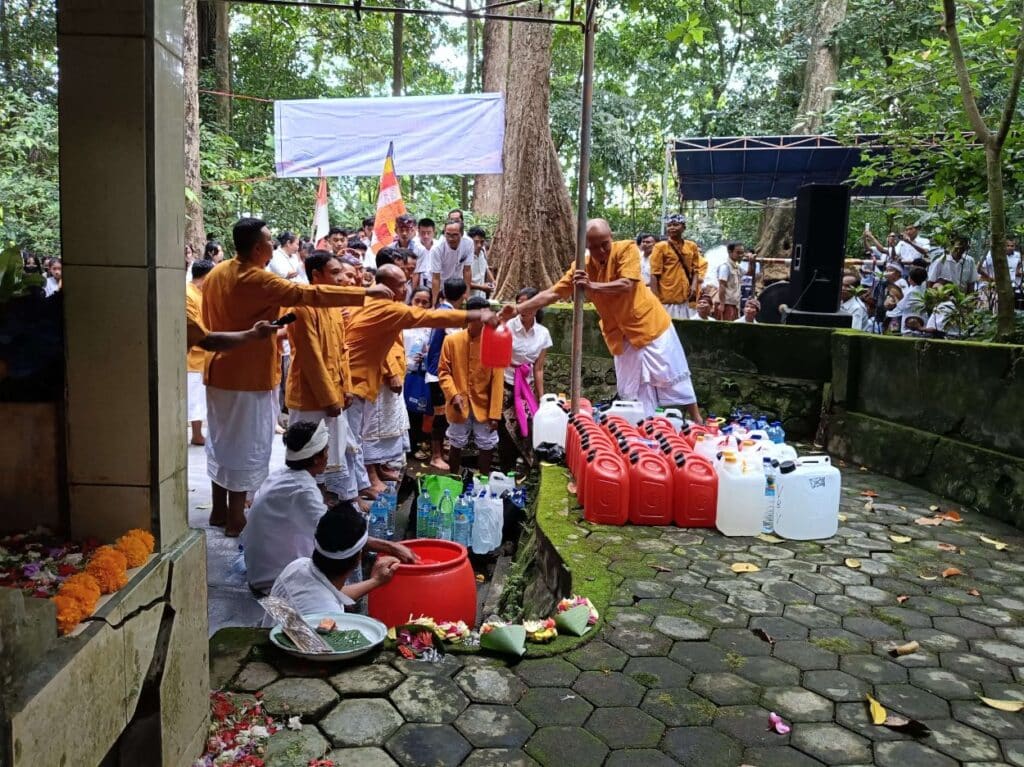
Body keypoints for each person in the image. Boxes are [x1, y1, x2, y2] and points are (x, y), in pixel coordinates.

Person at [201, 217, 392, 537]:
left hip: (219, 368)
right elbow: (307, 296)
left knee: (222, 440)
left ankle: (219, 509)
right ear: (259, 247)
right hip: (246, 376)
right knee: (246, 444)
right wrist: (366, 294)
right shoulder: (257, 278)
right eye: (268, 240)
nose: (271, 244)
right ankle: (236, 517)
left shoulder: (218, 272)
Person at [504, 218, 701, 422]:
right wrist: (519, 308)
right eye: (593, 247)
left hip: (651, 325)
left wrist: (592, 287)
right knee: (632, 390)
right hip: (621, 335)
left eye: (604, 244)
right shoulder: (581, 267)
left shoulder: (626, 250)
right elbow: (553, 293)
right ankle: (644, 427)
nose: (600, 251)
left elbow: (628, 283)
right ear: (586, 247)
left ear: (611, 238)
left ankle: (698, 421)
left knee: (674, 376)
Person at [345, 266, 499, 497]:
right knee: (354, 438)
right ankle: (353, 491)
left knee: (358, 436)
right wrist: (478, 315)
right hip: (354, 384)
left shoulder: (364, 303)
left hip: (361, 382)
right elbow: (431, 317)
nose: (405, 288)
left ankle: (361, 484)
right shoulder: (386, 308)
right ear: (387, 287)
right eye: (401, 284)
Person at [244, 421, 413, 595]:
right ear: (317, 458)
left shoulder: (281, 476)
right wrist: (392, 547)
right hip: (272, 581)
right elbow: (340, 535)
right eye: (326, 451)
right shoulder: (303, 491)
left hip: (259, 571)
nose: (328, 455)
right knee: (341, 553)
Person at [284, 251, 357, 501]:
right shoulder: (302, 307)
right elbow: (311, 357)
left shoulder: (333, 305)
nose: (341, 278)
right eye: (334, 273)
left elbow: (343, 350)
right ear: (316, 275)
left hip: (335, 393)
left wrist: (345, 388)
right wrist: (329, 399)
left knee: (328, 450)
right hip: (310, 395)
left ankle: (324, 495)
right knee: (309, 451)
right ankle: (306, 500)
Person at [265, 503, 401, 623]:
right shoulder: (329, 616)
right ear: (358, 559)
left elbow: (333, 593)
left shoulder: (298, 566)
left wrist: (376, 580)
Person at [439, 296, 505, 475]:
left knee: (487, 443)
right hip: (458, 404)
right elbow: (444, 372)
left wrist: (495, 414)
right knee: (455, 441)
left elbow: (498, 381)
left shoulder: (496, 342)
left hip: (484, 404)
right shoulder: (452, 340)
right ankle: (453, 478)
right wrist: (453, 395)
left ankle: (483, 480)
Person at [501, 287, 553, 465]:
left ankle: (525, 466)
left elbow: (538, 368)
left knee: (529, 427)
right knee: (506, 430)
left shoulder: (543, 333)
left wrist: (541, 397)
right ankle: (504, 468)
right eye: (520, 303)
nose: (523, 308)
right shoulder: (507, 327)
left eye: (528, 304)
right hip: (506, 384)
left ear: (537, 306)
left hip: (527, 387)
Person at [423, 278, 469, 470]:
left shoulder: (442, 310)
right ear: (465, 294)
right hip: (438, 372)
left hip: (435, 369)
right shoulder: (449, 315)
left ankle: (441, 451)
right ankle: (435, 455)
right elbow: (456, 342)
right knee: (440, 416)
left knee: (442, 415)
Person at [650, 213, 707, 319]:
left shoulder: (692, 246)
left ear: (683, 227)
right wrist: (655, 299)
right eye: (669, 225)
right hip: (667, 298)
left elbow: (695, 269)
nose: (672, 228)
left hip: (687, 297)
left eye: (675, 225)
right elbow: (654, 274)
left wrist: (694, 287)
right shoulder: (660, 247)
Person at [186, 259, 215, 446]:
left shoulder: (202, 293)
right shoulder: (188, 293)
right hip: (193, 354)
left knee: (197, 398)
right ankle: (196, 434)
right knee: (193, 398)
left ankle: (198, 433)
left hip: (202, 354)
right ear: (206, 277)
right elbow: (195, 324)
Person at [403, 287, 435, 456]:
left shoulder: (431, 326)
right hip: (400, 371)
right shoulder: (402, 321)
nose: (421, 305)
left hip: (418, 374)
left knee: (415, 411)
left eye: (425, 302)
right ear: (411, 301)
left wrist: (426, 355)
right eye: (417, 301)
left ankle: (412, 445)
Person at [429, 219, 474, 305]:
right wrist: (434, 304)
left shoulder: (468, 243)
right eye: (448, 234)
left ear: (461, 234)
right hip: (437, 283)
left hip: (455, 284)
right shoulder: (437, 249)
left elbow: (467, 270)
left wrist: (466, 295)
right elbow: (435, 277)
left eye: (455, 235)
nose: (450, 238)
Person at [395, 214, 430, 291]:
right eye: (401, 230)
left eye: (407, 230)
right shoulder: (391, 248)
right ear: (396, 230)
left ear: (413, 231)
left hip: (411, 286)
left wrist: (413, 295)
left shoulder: (420, 249)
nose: (404, 233)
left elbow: (416, 274)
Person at [715, 242, 745, 321]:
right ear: (730, 252)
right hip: (726, 304)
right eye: (738, 253)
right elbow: (722, 285)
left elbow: (750, 273)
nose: (741, 255)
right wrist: (722, 304)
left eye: (742, 253)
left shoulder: (737, 267)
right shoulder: (725, 267)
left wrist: (752, 262)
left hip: (734, 304)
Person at [468, 226, 496, 298]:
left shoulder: (482, 253)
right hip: (469, 297)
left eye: (482, 242)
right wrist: (481, 287)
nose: (479, 245)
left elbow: (486, 268)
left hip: (481, 296)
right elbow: (463, 282)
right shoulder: (465, 257)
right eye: (476, 242)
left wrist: (493, 281)